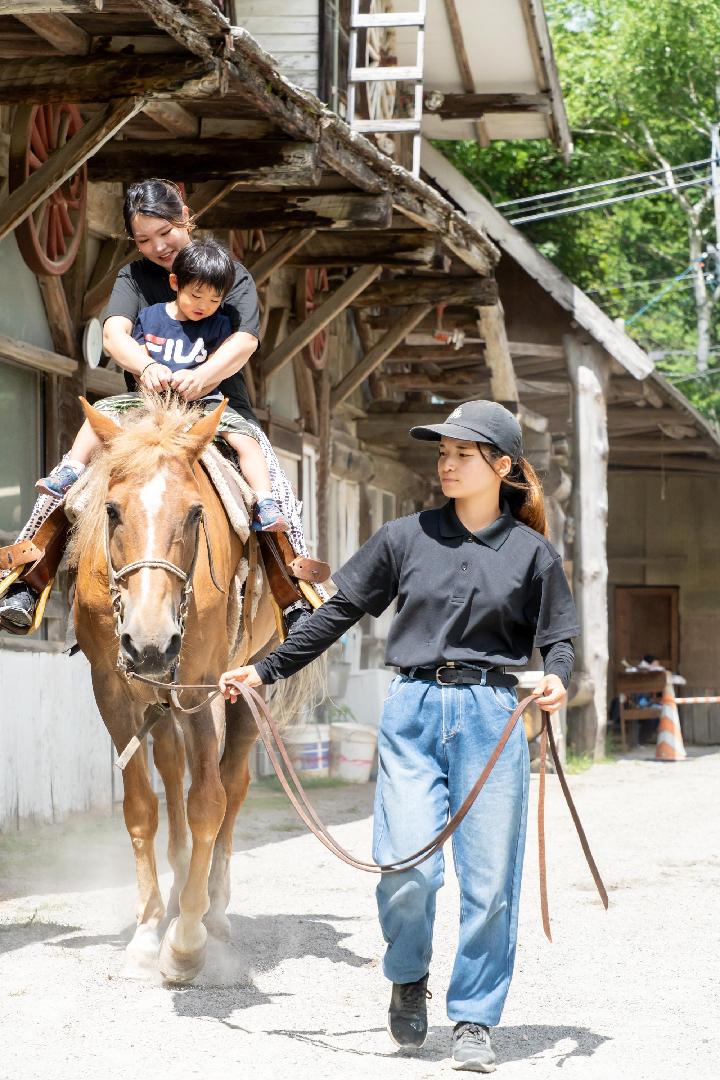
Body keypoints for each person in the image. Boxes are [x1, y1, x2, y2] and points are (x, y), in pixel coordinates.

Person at [218, 400, 579, 1073]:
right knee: (407, 870)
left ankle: (474, 1018)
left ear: (501, 465)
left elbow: (558, 637)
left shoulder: (533, 553)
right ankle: (408, 973)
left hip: (492, 718)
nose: (445, 462)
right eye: (441, 452)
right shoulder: (403, 537)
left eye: (462, 453)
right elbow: (338, 613)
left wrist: (557, 678)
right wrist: (266, 670)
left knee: (491, 883)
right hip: (412, 710)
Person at [0, 178, 307, 630]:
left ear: (185, 220)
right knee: (77, 487)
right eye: (143, 239)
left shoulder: (227, 270)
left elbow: (244, 341)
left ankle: (293, 593)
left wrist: (204, 376)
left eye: (165, 233)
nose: (157, 246)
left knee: (272, 489)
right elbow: (114, 334)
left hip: (219, 406)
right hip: (144, 410)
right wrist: (144, 368)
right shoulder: (134, 277)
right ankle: (26, 580)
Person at [35, 237, 288, 532]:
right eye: (196, 296)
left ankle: (266, 501)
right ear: (175, 283)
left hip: (202, 404)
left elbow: (224, 363)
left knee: (246, 440)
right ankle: (70, 469)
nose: (204, 306)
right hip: (150, 401)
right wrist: (149, 370)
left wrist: (201, 378)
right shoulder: (149, 316)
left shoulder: (220, 323)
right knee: (100, 413)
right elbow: (133, 350)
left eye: (214, 300)